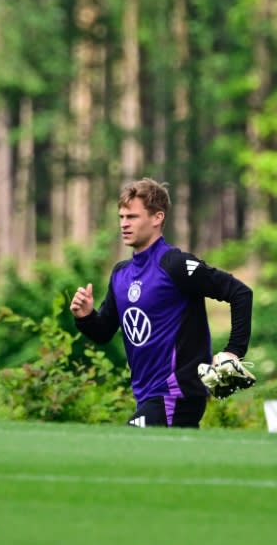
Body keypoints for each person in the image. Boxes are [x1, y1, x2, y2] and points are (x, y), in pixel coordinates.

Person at [69, 177, 255, 428]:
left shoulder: (175, 265)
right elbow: (103, 332)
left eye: (132, 217)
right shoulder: (120, 274)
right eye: (121, 217)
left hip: (177, 393)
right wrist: (85, 316)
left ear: (157, 218)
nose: (124, 224)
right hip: (146, 397)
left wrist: (233, 351)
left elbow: (240, 293)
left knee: (126, 447)